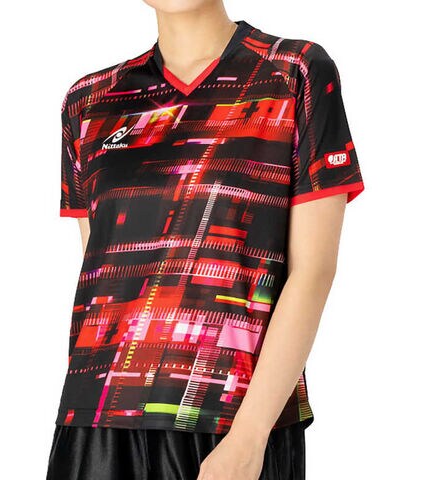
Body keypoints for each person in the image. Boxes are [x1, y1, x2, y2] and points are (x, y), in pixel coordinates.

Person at [46, 1, 365, 479]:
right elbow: (103, 275)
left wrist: (250, 436)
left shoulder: (292, 71)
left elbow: (313, 271)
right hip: (97, 416)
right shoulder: (90, 101)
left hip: (230, 413)